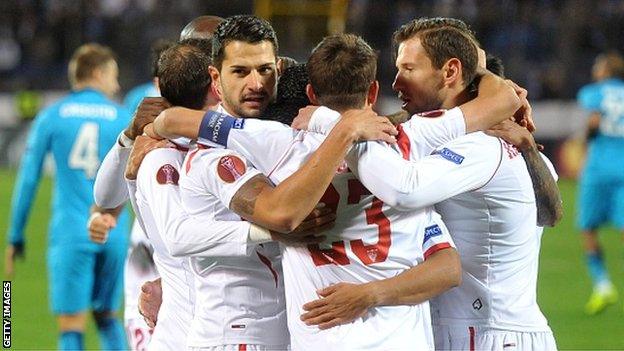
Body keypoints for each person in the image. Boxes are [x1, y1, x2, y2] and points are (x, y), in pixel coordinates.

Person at [151, 29, 522, 349]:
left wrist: (144, 133)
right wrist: (484, 72)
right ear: (373, 91)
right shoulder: (412, 141)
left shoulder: (274, 143)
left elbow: (174, 120)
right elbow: (447, 268)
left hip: (321, 339)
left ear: (311, 94)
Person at [292, 18, 561, 350]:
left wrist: (332, 122)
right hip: (480, 325)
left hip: (486, 329)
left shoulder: (479, 145)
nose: (396, 82)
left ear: (449, 73)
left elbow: (405, 189)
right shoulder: (481, 138)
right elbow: (549, 212)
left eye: (408, 69)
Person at [5, 43, 130, 350]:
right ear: (98, 73)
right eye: (113, 75)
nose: (116, 84)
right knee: (108, 317)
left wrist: (15, 235)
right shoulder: (124, 117)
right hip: (114, 233)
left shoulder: (52, 116)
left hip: (70, 232)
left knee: (71, 327)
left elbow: (29, 179)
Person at [576, 51, 624, 315]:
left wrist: (584, 139)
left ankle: (603, 285)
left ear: (606, 70)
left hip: (598, 170)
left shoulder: (594, 92)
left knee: (588, 228)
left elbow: (594, 122)